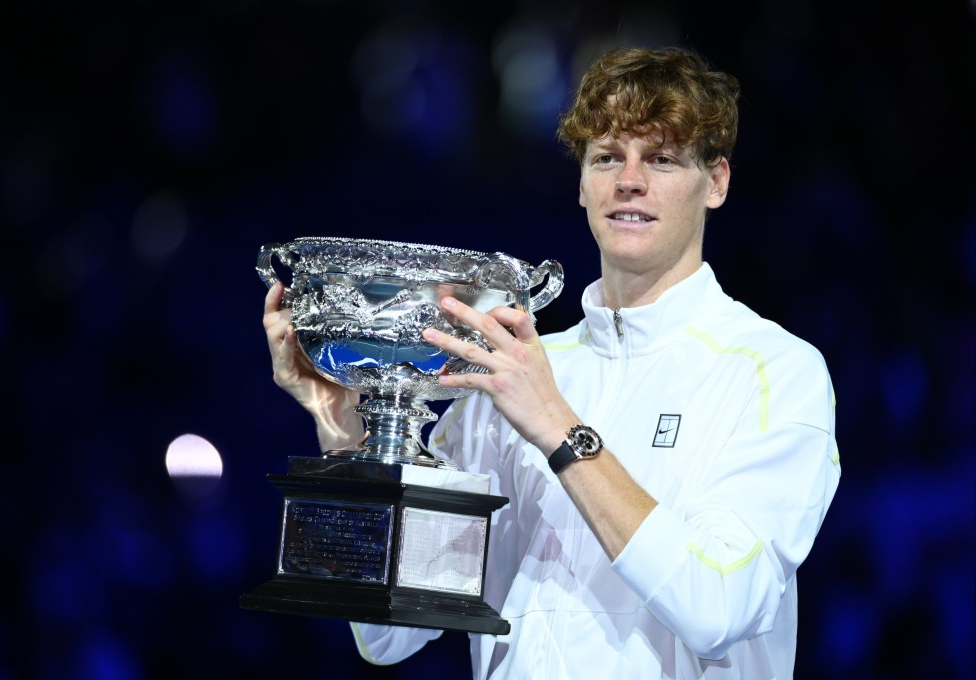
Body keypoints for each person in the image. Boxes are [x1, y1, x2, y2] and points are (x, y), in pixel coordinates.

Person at [263, 46, 841, 679]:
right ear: (584, 185)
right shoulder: (513, 372)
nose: (630, 180)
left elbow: (720, 608)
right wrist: (350, 425)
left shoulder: (773, 372)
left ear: (717, 182)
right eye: (607, 158)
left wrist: (560, 431)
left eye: (662, 159)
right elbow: (389, 631)